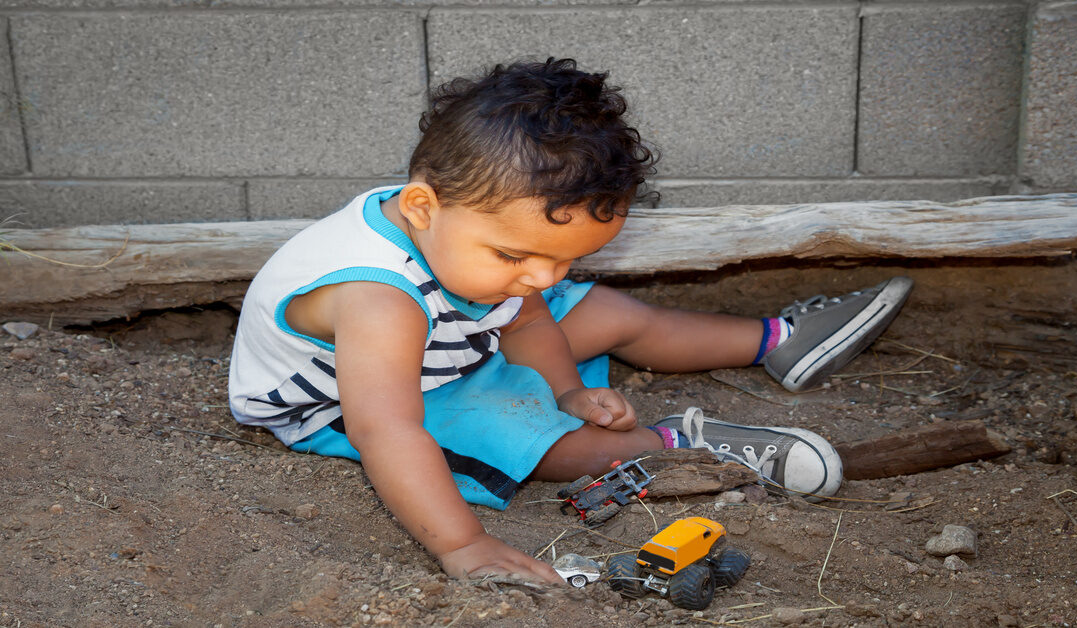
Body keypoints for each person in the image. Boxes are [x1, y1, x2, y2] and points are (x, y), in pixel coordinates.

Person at [228, 58, 912, 585]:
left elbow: (524, 316)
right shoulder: (377, 299)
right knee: (546, 444)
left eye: (566, 258)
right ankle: (680, 442)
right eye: (520, 254)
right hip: (366, 392)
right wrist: (464, 546)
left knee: (606, 310)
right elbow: (389, 428)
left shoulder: (469, 235)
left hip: (455, 332)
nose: (545, 276)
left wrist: (566, 390)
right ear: (420, 207)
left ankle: (778, 341)